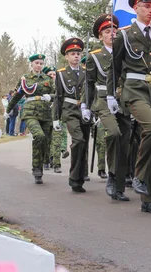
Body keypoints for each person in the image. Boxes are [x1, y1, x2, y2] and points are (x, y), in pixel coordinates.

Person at [107, 0, 151, 214]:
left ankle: (148, 200)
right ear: (135, 7)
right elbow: (114, 69)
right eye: (146, 5)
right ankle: (140, 176)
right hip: (133, 91)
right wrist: (112, 95)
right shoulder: (124, 35)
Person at [84, 14, 132, 201]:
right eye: (107, 31)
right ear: (100, 36)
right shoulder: (94, 57)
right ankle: (112, 176)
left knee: (125, 140)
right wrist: (86, 106)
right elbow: (88, 84)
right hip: (103, 99)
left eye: (114, 30)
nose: (112, 34)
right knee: (114, 133)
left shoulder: (126, 53)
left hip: (125, 99)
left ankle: (119, 185)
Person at [6, 54, 55, 184]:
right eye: (36, 63)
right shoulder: (25, 79)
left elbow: (56, 94)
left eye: (41, 63)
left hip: (45, 113)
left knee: (46, 140)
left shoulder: (48, 79)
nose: (39, 65)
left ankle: (43, 164)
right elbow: (17, 96)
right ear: (32, 64)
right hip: (30, 112)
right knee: (39, 136)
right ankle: (36, 169)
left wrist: (50, 96)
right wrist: (8, 110)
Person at [54, 38, 92, 193]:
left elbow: (90, 93)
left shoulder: (86, 72)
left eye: (78, 53)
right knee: (78, 140)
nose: (76, 56)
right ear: (66, 57)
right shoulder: (61, 74)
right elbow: (58, 96)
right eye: (73, 54)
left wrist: (92, 110)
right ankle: (74, 178)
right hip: (70, 111)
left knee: (84, 143)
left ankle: (81, 177)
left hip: (84, 110)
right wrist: (56, 117)